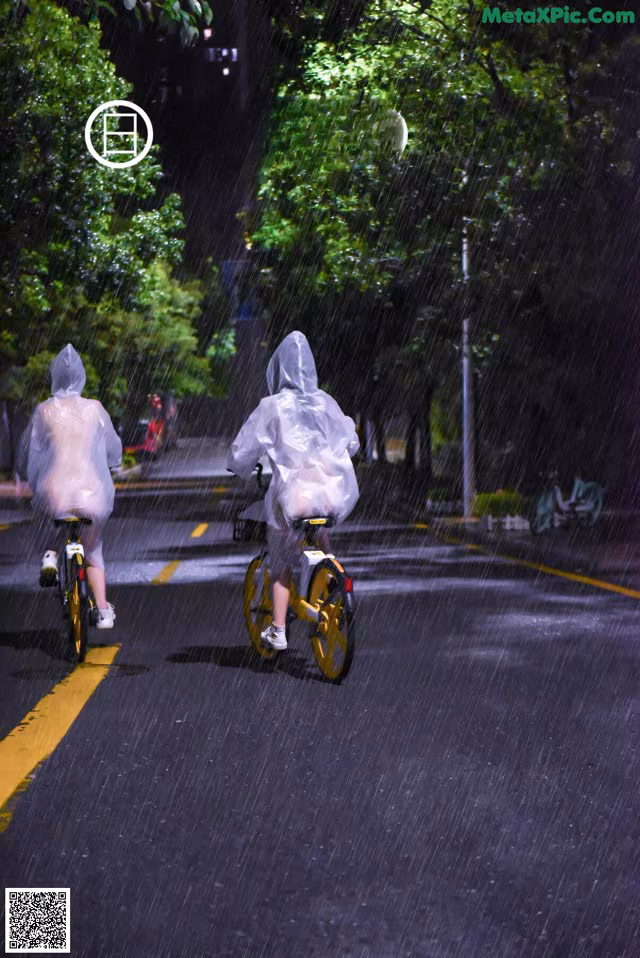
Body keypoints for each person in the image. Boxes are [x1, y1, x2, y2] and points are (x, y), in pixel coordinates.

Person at [228, 330, 360, 650]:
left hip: (293, 496)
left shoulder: (273, 406)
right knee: (320, 534)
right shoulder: (326, 402)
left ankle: (277, 629)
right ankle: (332, 582)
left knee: (281, 562)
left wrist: (239, 468)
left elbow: (243, 452)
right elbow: (352, 442)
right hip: (330, 494)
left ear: (279, 369)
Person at [20, 344, 122, 628]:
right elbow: (114, 449)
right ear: (81, 376)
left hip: (56, 491)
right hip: (93, 494)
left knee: (50, 521)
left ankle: (51, 556)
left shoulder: (43, 411)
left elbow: (31, 453)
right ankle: (102, 610)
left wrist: (28, 477)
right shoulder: (96, 409)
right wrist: (114, 463)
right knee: (93, 550)